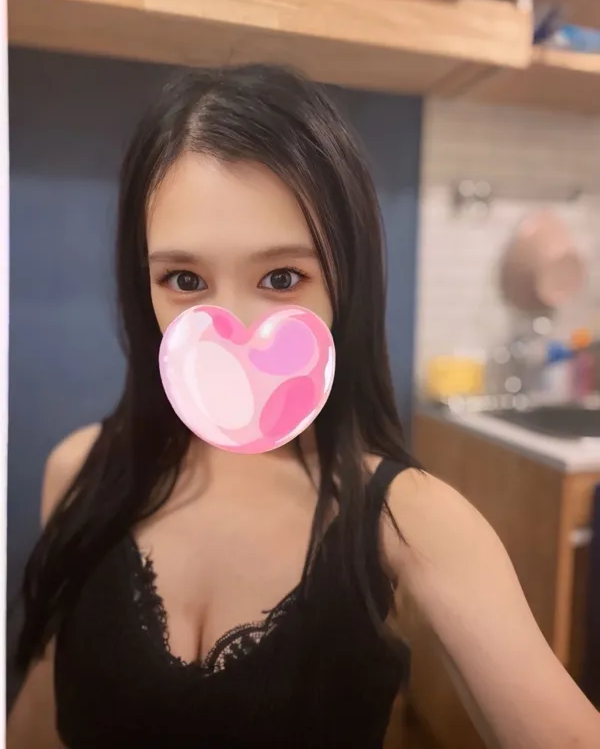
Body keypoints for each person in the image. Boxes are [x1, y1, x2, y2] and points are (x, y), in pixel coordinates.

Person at [7, 64, 600, 749]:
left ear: (346, 283)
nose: (232, 328)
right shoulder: (79, 474)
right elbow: (38, 720)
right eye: (185, 279)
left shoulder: (412, 522)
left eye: (282, 277)